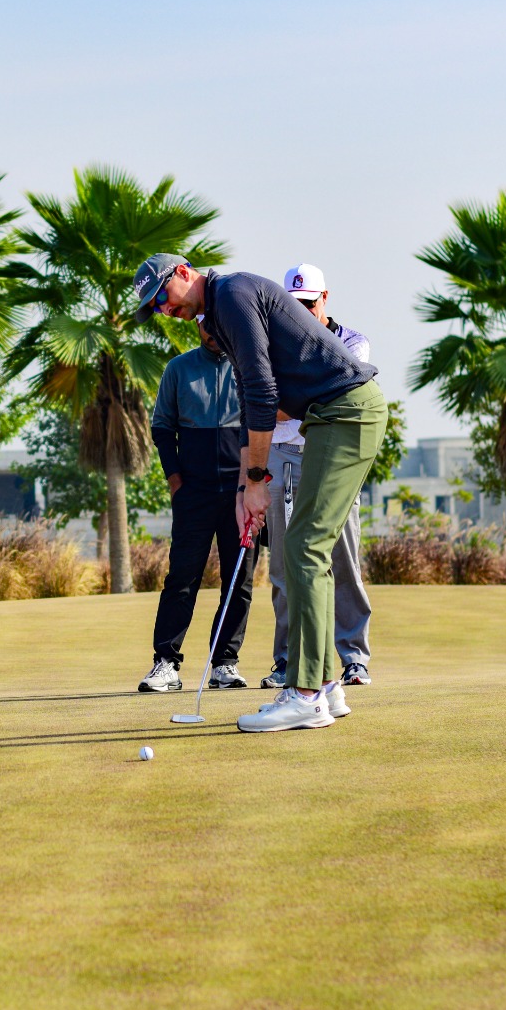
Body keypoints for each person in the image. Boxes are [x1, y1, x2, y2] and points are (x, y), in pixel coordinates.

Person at [135, 253, 385, 732]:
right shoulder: (219, 312)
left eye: (162, 296)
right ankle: (325, 687)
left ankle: (305, 695)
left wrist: (254, 479)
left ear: (184, 273)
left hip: (346, 412)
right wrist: (244, 487)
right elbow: (258, 401)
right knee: (305, 548)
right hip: (328, 417)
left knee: (305, 547)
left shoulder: (231, 295)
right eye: (155, 308)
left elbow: (262, 391)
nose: (164, 309)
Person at [261, 264, 373, 691]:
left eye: (309, 303)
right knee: (284, 565)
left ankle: (353, 658)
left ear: (325, 297)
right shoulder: (271, 343)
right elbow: (266, 405)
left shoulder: (354, 342)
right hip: (282, 456)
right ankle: (288, 660)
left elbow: (333, 399)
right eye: (295, 305)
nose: (303, 311)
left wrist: (291, 401)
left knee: (343, 560)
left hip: (334, 460)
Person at [138, 321, 259, 692]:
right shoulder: (179, 368)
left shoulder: (249, 367)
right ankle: (165, 663)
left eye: (218, 324)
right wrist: (176, 481)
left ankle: (225, 663)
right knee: (182, 578)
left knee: (239, 579)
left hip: (241, 492)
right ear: (197, 325)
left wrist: (254, 485)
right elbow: (162, 427)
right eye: (205, 324)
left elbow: (263, 426)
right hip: (193, 492)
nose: (212, 331)